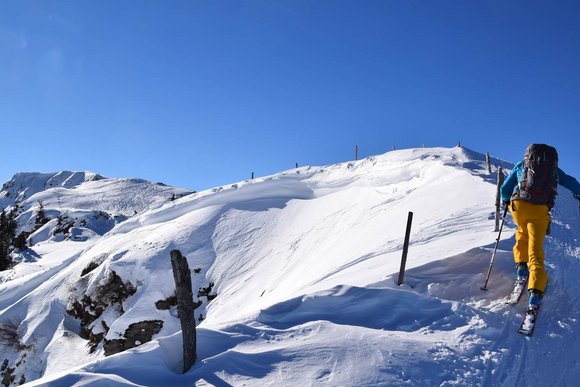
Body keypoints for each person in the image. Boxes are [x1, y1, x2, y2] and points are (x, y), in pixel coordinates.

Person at [500, 144, 580, 311]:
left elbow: (505, 188)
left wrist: (506, 200)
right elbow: (571, 183)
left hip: (518, 206)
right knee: (535, 249)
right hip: (539, 209)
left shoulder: (521, 165)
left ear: (529, 155)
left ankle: (521, 271)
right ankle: (535, 293)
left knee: (521, 234)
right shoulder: (553, 171)